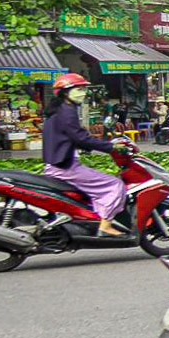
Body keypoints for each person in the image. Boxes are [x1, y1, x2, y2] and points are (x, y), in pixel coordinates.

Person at [40, 74, 128, 236]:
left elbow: (74, 138)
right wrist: (111, 147)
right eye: (78, 89)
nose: (83, 93)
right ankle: (105, 226)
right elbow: (80, 138)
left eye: (83, 89)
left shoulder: (59, 109)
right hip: (65, 167)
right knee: (114, 185)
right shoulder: (67, 111)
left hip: (59, 165)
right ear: (65, 93)